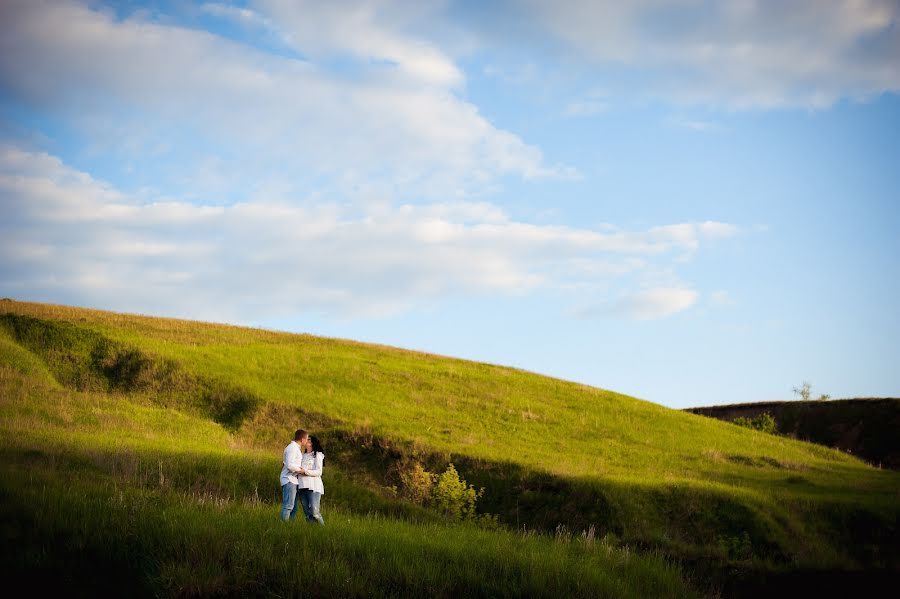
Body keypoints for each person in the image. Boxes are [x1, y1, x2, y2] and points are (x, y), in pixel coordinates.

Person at [297, 435, 325, 525]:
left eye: (309, 440)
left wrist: (305, 471)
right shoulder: (301, 455)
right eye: (306, 439)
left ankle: (323, 530)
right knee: (307, 514)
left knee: (314, 512)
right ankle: (312, 531)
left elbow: (319, 472)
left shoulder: (317, 455)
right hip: (301, 486)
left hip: (313, 486)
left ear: (313, 443)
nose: (306, 441)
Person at [280, 429, 307, 522]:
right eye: (306, 439)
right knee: (288, 506)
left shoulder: (296, 449)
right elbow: (289, 465)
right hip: (289, 480)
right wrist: (301, 470)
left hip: (294, 480)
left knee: (294, 508)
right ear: (303, 439)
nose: (307, 442)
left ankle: (290, 527)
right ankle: (283, 527)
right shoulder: (292, 448)